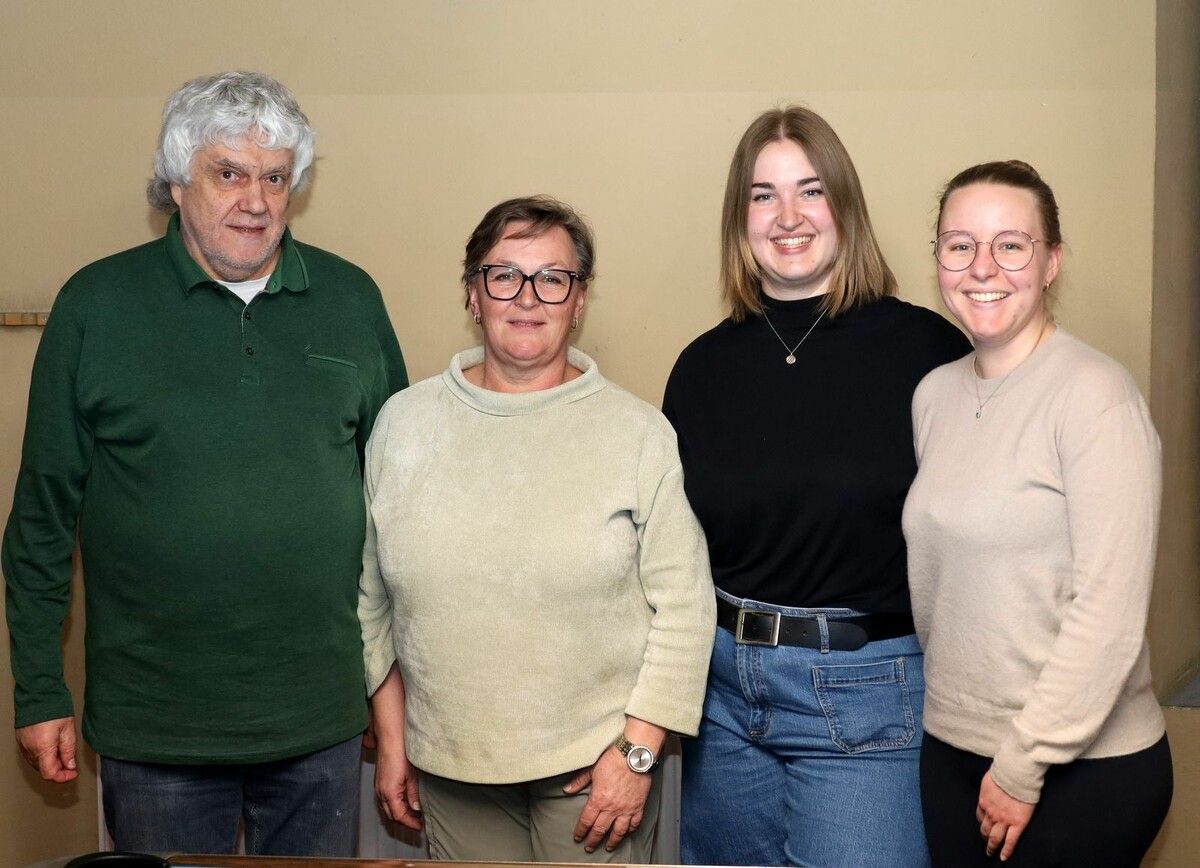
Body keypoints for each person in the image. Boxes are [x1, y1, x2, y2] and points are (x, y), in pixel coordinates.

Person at [2, 71, 408, 856]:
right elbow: (41, 519)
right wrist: (38, 690)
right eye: (229, 173)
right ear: (177, 182)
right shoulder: (95, 306)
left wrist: (395, 698)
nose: (255, 200)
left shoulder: (352, 300)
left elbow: (403, 511)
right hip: (157, 730)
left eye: (276, 177)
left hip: (319, 720)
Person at [358, 195, 716, 863]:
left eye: (553, 278)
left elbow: (686, 608)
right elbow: (370, 599)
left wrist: (637, 754)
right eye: (503, 275)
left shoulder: (635, 434)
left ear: (578, 301)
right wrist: (393, 740)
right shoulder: (403, 425)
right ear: (473, 293)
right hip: (451, 767)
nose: (527, 298)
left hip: (593, 774)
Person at [662, 106, 970, 867]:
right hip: (724, 699)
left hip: (869, 696)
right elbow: (671, 554)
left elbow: (980, 542)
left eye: (810, 190)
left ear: (845, 206)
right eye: (763, 195)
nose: (789, 216)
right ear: (740, 219)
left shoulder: (928, 352)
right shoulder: (701, 367)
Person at [903, 160, 1172, 866]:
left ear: (1051, 262)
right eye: (960, 244)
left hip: (1078, 768)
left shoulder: (1095, 396)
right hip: (955, 750)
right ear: (937, 260)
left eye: (1011, 245)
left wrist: (1024, 765)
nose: (982, 266)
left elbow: (1110, 612)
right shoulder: (933, 396)